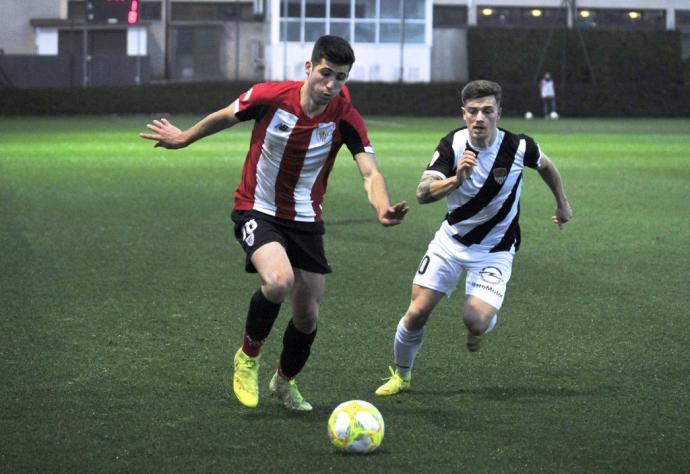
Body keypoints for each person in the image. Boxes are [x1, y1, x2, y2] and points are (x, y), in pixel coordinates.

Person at [140, 35, 408, 411]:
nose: (330, 85)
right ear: (309, 68)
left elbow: (369, 171)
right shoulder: (271, 96)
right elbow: (225, 115)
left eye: (341, 78)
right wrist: (183, 138)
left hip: (306, 219)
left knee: (307, 313)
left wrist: (381, 206)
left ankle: (284, 381)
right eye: (326, 73)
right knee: (278, 280)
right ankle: (248, 358)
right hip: (258, 208)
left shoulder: (344, 115)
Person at [374, 80, 571, 396]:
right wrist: (456, 178)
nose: (480, 118)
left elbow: (547, 166)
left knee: (474, 321)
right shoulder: (452, 144)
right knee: (416, 313)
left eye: (487, 111)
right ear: (464, 114)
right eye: (473, 111)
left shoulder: (519, 147)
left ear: (498, 113)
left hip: (496, 249)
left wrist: (562, 203)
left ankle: (480, 327)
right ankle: (402, 375)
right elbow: (423, 193)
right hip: (450, 243)